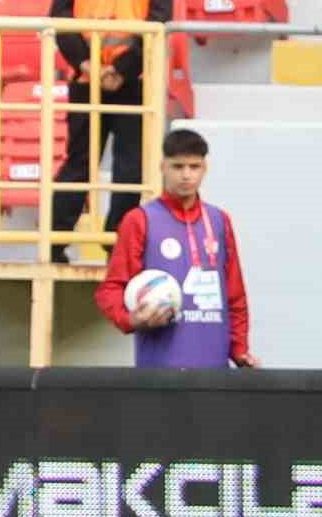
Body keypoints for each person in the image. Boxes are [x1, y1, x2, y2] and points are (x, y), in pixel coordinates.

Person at [48, 0, 175, 265]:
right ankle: (117, 244)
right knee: (129, 166)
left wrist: (88, 64)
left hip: (87, 76)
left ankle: (53, 243)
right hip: (132, 79)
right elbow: (159, 18)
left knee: (78, 162)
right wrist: (119, 68)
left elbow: (59, 17)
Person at [95, 129, 259, 368]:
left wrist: (239, 350)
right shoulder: (140, 220)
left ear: (205, 169)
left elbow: (235, 295)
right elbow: (110, 288)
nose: (186, 175)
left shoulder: (219, 220)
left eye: (194, 167)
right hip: (160, 370)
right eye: (177, 166)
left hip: (214, 367)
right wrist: (131, 319)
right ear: (163, 167)